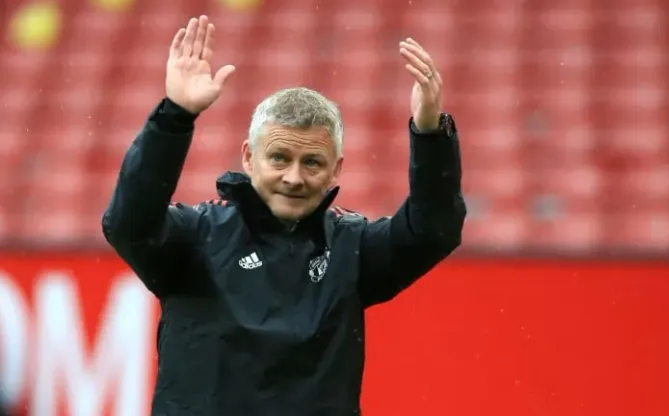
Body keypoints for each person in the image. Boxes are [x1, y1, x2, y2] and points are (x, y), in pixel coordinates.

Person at [102, 14, 466, 415]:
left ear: (336, 170)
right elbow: (128, 225)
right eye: (279, 158)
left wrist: (430, 134)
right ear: (248, 158)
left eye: (312, 162)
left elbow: (433, 231)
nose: (294, 178)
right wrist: (174, 117)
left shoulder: (352, 247)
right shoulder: (196, 237)